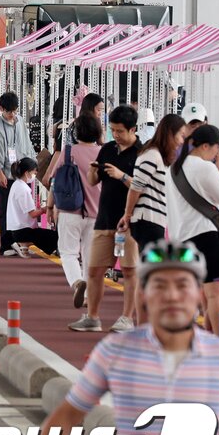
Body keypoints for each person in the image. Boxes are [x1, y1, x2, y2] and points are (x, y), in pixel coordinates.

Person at [3, 240, 219, 435]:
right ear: (142, 294)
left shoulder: (218, 356)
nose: (172, 296)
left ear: (199, 294)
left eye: (182, 285)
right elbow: (69, 413)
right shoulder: (116, 352)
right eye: (160, 286)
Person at [74, 105, 142, 333]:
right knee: (94, 270)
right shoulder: (108, 149)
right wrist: (93, 172)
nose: (116, 135)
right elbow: (94, 182)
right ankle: (92, 316)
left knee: (130, 271)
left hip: (129, 223)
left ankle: (126, 318)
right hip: (103, 220)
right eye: (112, 130)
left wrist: (122, 176)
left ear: (133, 129)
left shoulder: (142, 153)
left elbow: (146, 187)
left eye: (120, 131)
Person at [165, 124, 219, 334]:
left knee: (201, 295)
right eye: (218, 148)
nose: (218, 153)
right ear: (206, 146)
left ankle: (208, 341)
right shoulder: (204, 167)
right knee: (216, 294)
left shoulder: (173, 169)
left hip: (181, 237)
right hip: (206, 236)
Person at [43, 113, 103, 309]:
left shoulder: (69, 152)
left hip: (69, 210)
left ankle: (77, 283)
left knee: (68, 253)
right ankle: (86, 296)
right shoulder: (103, 153)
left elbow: (54, 181)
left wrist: (50, 206)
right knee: (89, 255)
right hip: (96, 214)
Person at [125, 112, 185, 250]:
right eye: (181, 135)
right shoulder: (152, 155)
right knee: (151, 266)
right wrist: (127, 215)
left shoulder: (159, 157)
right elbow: (136, 187)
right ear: (170, 133)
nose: (182, 141)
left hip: (153, 221)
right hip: (147, 220)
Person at [0, 92, 36, 256]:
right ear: (1, 109)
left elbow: (27, 142)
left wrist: (32, 162)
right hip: (7, 174)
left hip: (23, 173)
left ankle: (21, 242)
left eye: (15, 111)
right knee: (6, 208)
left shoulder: (20, 121)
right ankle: (6, 244)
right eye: (9, 111)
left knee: (23, 209)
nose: (13, 114)